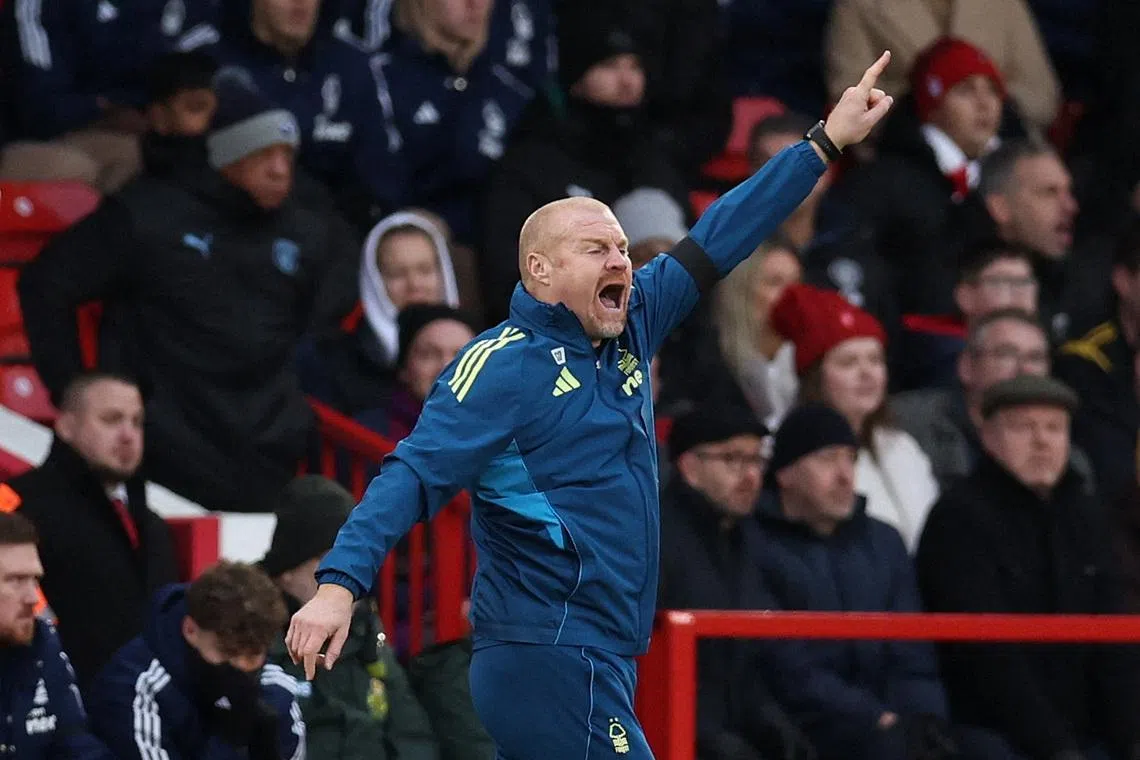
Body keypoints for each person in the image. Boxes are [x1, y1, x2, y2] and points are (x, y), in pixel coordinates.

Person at [287, 52, 897, 759]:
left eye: (620, 246)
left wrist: (820, 145)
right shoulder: (500, 365)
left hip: (599, 651)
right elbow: (414, 472)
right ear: (541, 272)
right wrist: (339, 585)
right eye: (594, 248)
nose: (619, 260)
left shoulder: (634, 321)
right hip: (544, 651)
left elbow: (721, 235)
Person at [17, 78, 358, 512]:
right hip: (165, 464)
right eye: (263, 154)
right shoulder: (148, 215)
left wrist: (293, 413)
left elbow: (327, 316)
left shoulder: (307, 231)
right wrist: (73, 387)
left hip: (268, 459)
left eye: (288, 156)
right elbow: (47, 284)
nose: (279, 170)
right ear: (227, 156)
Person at [917, 375, 1140, 760]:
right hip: (992, 730)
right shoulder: (958, 519)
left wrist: (1131, 737)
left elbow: (1115, 642)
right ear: (987, 437)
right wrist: (1056, 748)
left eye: (1054, 428)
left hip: (1088, 732)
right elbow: (987, 660)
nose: (1042, 441)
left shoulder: (1087, 517)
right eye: (1023, 427)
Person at [0, 371, 178, 688]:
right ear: (66, 425)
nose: (128, 434)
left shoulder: (152, 525)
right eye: (111, 420)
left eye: (136, 422)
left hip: (144, 710)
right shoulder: (20, 509)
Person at [658, 405, 817, 760]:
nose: (750, 477)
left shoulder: (745, 540)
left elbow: (746, 666)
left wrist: (772, 725)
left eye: (756, 461)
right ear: (689, 466)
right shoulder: (659, 541)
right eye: (733, 460)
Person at [262, 476, 438, 760]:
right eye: (329, 562)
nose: (342, 579)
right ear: (287, 571)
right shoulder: (252, 631)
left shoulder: (364, 627)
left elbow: (411, 734)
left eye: (348, 563)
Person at [87, 561, 306, 760]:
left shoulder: (275, 691)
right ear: (190, 630)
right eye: (226, 652)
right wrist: (230, 742)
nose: (239, 666)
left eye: (252, 656)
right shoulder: (133, 689)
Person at [0, 512, 117, 759]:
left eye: (35, 580)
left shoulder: (43, 644)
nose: (33, 598)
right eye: (16, 580)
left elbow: (74, 741)